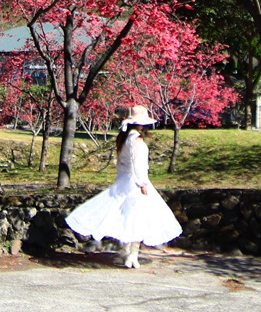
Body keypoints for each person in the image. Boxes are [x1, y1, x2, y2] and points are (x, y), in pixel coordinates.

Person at [65, 105, 182, 269]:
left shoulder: (124, 138)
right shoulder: (135, 140)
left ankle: (129, 253)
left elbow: (123, 164)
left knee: (129, 216)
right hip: (135, 181)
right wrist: (142, 183)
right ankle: (132, 254)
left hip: (125, 180)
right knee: (138, 217)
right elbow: (137, 164)